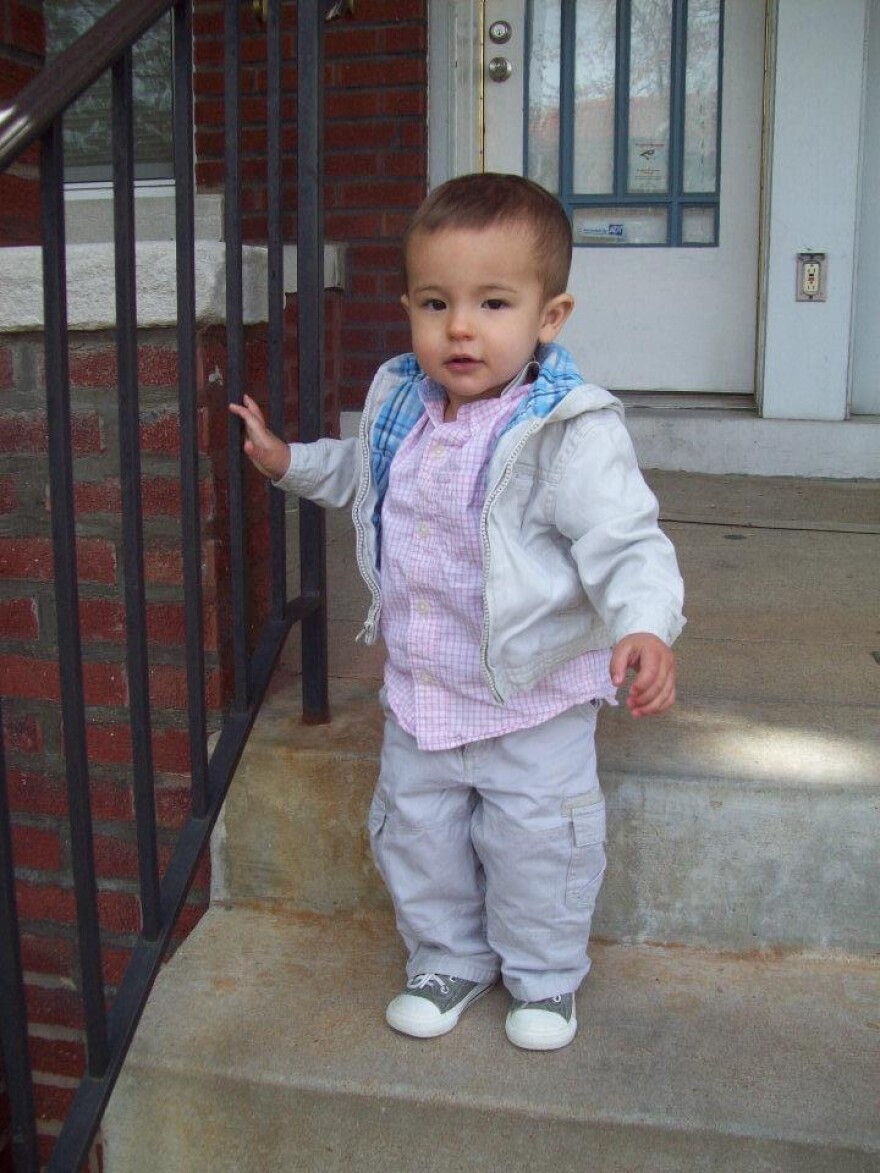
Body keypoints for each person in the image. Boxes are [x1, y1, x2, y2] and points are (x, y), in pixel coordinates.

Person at [230, 173, 685, 1052]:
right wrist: (291, 461)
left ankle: (545, 978)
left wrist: (644, 623)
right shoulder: (403, 399)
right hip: (424, 690)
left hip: (532, 697)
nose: (460, 328)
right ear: (408, 306)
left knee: (538, 844)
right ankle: (448, 957)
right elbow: (364, 473)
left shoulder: (567, 431)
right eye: (436, 303)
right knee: (418, 834)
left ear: (550, 318)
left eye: (493, 302)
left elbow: (628, 541)